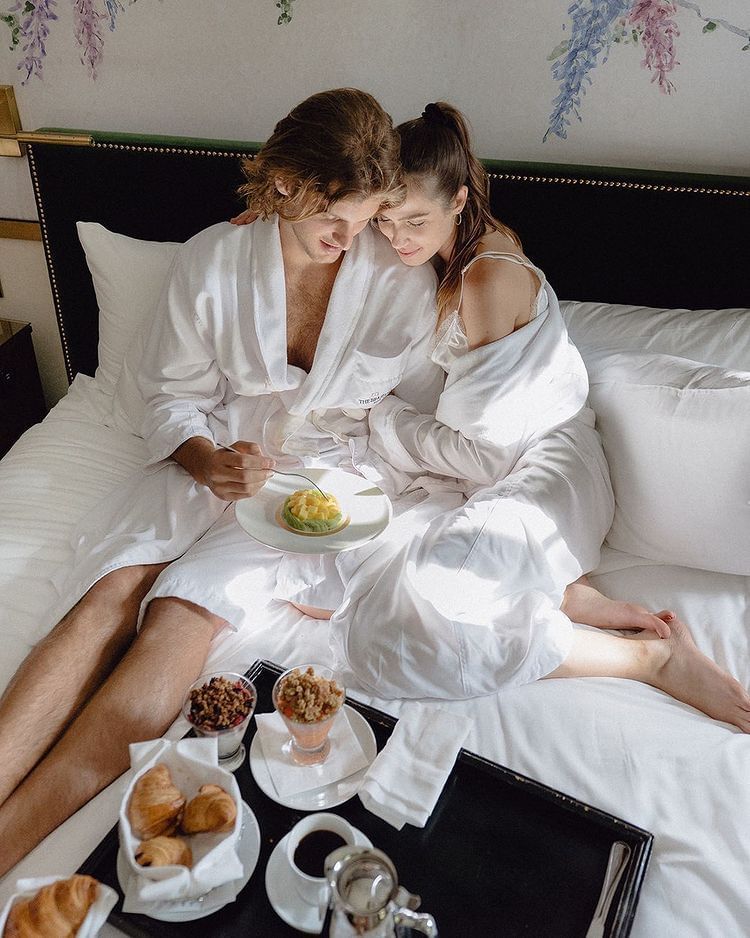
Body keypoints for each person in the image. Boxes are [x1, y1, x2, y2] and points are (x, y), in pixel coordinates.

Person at [0, 88, 447, 876]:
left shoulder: (399, 279)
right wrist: (207, 459)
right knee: (107, 595)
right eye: (329, 221)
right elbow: (169, 395)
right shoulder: (213, 260)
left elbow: (411, 409)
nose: (352, 240)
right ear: (282, 186)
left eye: (367, 216)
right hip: (205, 456)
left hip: (314, 485)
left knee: (178, 616)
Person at [234, 102, 750, 731]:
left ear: (459, 198)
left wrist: (382, 419)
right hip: (485, 473)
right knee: (364, 603)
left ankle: (644, 659)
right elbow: (328, 214)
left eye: (414, 221)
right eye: (387, 219)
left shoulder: (484, 280)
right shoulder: (440, 238)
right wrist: (269, 217)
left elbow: (486, 452)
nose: (397, 239)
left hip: (540, 467)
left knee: (406, 617)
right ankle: (563, 596)